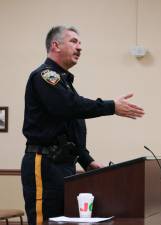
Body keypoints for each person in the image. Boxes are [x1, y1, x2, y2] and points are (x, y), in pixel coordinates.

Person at [21, 25, 144, 225]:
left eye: (80, 43)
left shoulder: (64, 82)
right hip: (44, 162)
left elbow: (71, 125)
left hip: (63, 165)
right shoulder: (45, 76)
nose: (79, 48)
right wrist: (111, 106)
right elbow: (69, 107)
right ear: (55, 45)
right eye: (73, 41)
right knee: (46, 221)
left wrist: (86, 161)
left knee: (62, 221)